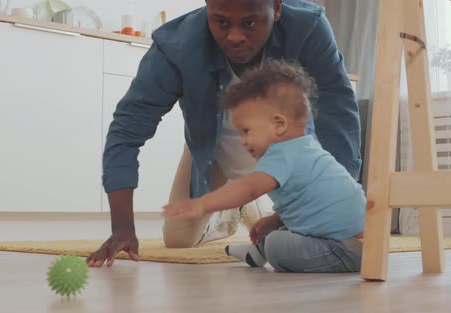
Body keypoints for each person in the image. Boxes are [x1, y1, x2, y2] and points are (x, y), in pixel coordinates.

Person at [86, 0, 361, 268]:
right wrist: (122, 227)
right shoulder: (176, 46)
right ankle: (230, 212)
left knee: (305, 227)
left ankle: (241, 202)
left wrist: (335, 207)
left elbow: (339, 114)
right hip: (210, 147)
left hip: (288, 147)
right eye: (221, 21)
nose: (235, 36)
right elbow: (127, 129)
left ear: (276, 8)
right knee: (177, 239)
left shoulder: (308, 27)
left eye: (250, 23)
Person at [163, 59, 365, 272]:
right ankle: (256, 252)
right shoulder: (307, 148)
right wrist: (275, 219)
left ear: (279, 124)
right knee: (277, 232)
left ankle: (264, 250)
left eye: (246, 131)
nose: (242, 141)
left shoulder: (282, 154)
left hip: (341, 249)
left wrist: (202, 204)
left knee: (277, 245)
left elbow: (248, 188)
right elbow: (311, 205)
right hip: (352, 242)